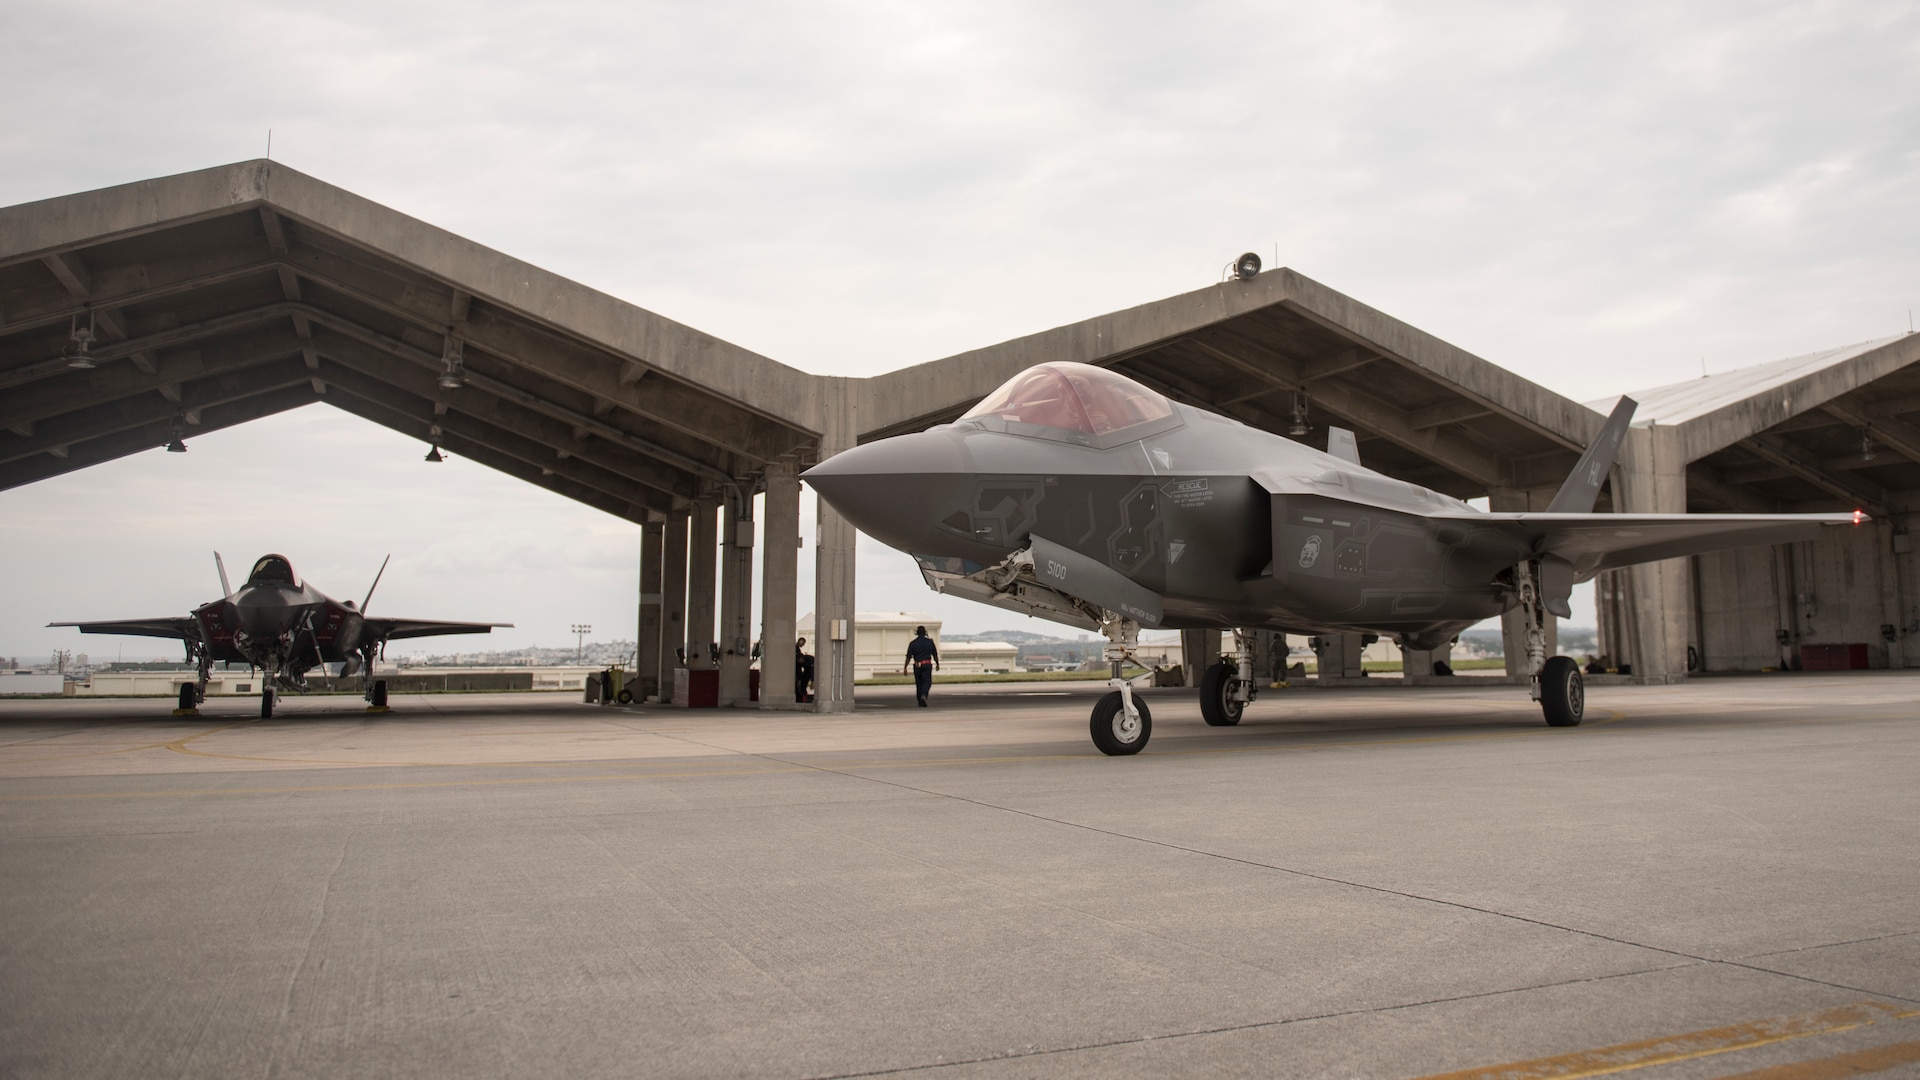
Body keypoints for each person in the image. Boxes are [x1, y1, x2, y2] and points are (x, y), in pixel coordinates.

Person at [903, 625, 939, 707]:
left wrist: (905, 667)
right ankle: (924, 695)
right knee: (927, 682)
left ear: (917, 633)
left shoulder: (913, 643)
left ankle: (920, 699)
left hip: (917, 665)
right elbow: (935, 654)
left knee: (919, 683)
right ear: (925, 632)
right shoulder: (930, 642)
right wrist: (937, 664)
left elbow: (908, 657)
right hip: (927, 664)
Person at [794, 637, 814, 703]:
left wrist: (812, 681)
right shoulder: (796, 650)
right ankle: (802, 695)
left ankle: (804, 696)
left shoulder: (809, 660)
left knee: (804, 682)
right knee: (802, 684)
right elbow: (799, 669)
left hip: (810, 669)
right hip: (804, 670)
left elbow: (812, 670)